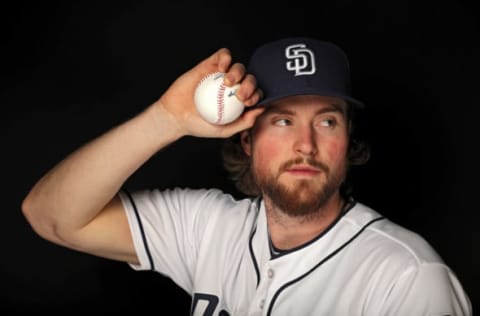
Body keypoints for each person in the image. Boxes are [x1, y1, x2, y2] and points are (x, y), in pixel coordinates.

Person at [22, 36, 472, 315]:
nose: (306, 144)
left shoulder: (408, 278)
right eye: (282, 120)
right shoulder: (205, 228)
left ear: (347, 138)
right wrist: (166, 120)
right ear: (246, 138)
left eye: (327, 121)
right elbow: (51, 216)